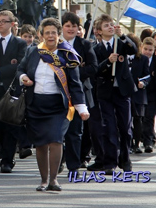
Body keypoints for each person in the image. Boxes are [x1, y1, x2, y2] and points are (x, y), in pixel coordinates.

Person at [18, 18, 89, 192]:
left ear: (59, 35)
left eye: (54, 33)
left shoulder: (67, 54)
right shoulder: (33, 52)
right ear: (41, 35)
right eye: (47, 32)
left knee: (56, 139)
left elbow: (75, 83)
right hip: (36, 104)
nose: (50, 36)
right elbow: (20, 69)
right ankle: (43, 180)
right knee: (41, 143)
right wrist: (23, 78)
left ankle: (54, 179)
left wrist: (81, 107)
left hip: (58, 106)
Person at [0, 10, 28, 173]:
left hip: (11, 89)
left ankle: (7, 159)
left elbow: (20, 65)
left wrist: (0, 71)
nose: (0, 23)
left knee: (10, 124)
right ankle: (2, 148)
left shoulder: (19, 43)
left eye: (4, 21)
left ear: (12, 24)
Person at [92, 14, 137, 173]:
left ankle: (125, 159)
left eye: (111, 25)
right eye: (106, 26)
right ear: (98, 31)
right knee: (108, 127)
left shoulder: (120, 43)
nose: (110, 27)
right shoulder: (96, 49)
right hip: (105, 93)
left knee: (125, 127)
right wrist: (108, 62)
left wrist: (122, 36)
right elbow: (96, 70)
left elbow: (134, 49)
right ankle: (109, 161)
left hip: (122, 91)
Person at [60, 12, 98, 175]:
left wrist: (74, 72)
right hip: (58, 93)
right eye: (67, 25)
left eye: (74, 26)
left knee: (75, 131)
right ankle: (58, 160)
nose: (70, 29)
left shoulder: (85, 44)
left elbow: (93, 67)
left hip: (78, 92)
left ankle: (74, 165)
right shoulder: (55, 43)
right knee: (58, 131)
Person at [127, 33, 149, 155]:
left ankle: (136, 144)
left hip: (139, 94)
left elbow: (147, 75)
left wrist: (143, 83)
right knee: (126, 120)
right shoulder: (122, 57)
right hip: (126, 93)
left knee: (138, 120)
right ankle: (128, 144)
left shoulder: (143, 59)